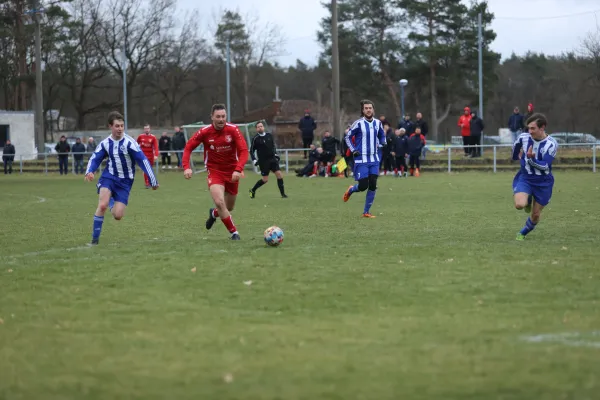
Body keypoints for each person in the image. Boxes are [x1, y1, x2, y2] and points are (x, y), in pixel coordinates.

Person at [85, 111, 159, 245]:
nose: (120, 129)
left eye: (122, 126)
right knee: (102, 205)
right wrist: (89, 171)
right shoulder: (106, 143)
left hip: (125, 182)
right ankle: (94, 241)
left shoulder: (130, 143)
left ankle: (112, 200)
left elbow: (143, 161)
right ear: (110, 127)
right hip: (109, 176)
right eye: (117, 126)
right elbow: (95, 158)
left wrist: (153, 180)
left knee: (118, 215)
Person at [182, 104, 249, 240]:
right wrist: (186, 166)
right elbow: (188, 147)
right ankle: (234, 233)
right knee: (219, 202)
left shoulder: (233, 130)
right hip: (215, 171)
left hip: (232, 173)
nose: (221, 119)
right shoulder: (205, 132)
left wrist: (238, 169)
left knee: (228, 207)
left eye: (223, 116)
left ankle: (214, 214)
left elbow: (244, 151)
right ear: (212, 117)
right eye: (218, 116)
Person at [511, 113, 558, 241]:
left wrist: (531, 160)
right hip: (526, 178)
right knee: (519, 204)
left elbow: (545, 166)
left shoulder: (551, 144)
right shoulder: (524, 138)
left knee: (536, 215)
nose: (529, 131)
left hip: (543, 182)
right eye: (528, 128)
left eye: (533, 128)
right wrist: (516, 156)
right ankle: (528, 198)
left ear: (542, 128)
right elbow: (516, 147)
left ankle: (523, 232)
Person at [342, 99, 386, 218]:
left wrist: (383, 143)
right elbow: (348, 137)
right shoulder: (358, 123)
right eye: (366, 108)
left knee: (372, 184)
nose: (368, 110)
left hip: (374, 159)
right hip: (361, 159)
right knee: (363, 186)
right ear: (363, 110)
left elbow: (382, 135)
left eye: (370, 108)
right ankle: (351, 189)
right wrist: (353, 150)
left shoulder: (378, 123)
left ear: (373, 110)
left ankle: (366, 212)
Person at [249, 121, 287, 199]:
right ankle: (252, 190)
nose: (260, 127)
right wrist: (254, 160)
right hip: (263, 161)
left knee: (279, 174)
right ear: (256, 129)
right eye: (258, 127)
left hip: (272, 159)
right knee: (265, 180)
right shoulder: (255, 138)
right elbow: (251, 150)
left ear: (263, 127)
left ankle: (283, 194)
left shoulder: (269, 135)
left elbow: (273, 146)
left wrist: (276, 154)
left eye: (261, 126)